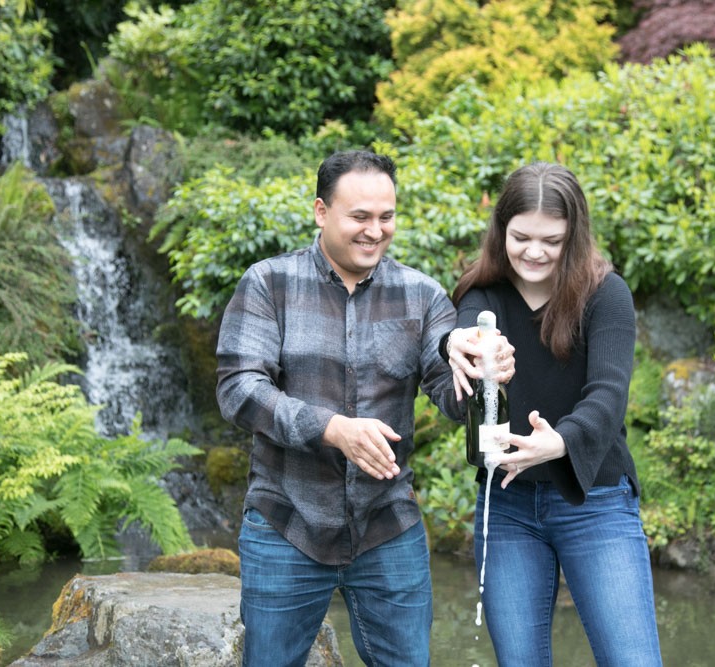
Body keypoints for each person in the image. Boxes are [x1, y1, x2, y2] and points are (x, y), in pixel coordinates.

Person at [215, 150, 513, 666]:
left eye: (386, 217)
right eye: (360, 217)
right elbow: (239, 388)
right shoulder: (268, 284)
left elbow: (447, 390)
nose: (375, 231)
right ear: (320, 211)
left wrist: (481, 366)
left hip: (387, 525)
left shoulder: (422, 295)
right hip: (286, 521)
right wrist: (332, 429)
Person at [444, 162, 663, 666]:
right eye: (521, 236)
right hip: (507, 509)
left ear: (575, 235)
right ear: (502, 231)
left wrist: (558, 442)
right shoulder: (481, 299)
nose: (535, 252)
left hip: (597, 502)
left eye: (553, 239)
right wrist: (457, 348)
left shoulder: (606, 296)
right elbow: (465, 366)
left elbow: (608, 396)